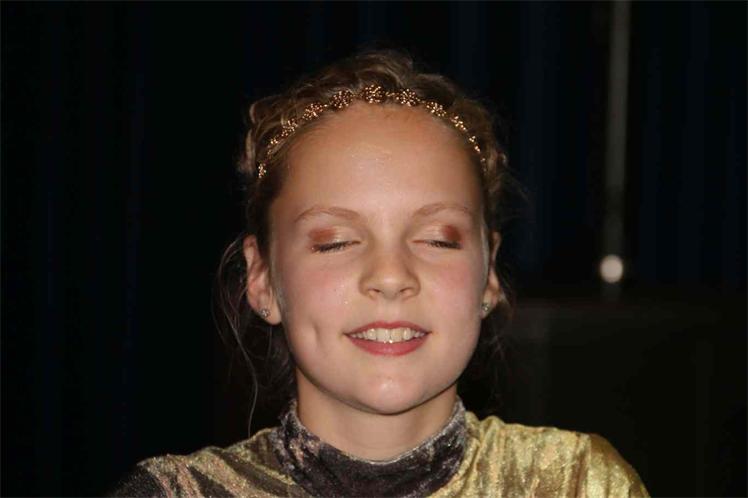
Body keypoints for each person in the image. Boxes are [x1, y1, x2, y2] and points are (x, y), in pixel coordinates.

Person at [111, 50, 648, 497]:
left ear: (489, 273)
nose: (391, 277)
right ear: (262, 279)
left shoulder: (578, 484)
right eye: (336, 241)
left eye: (438, 239)